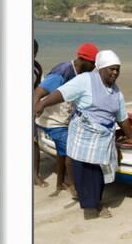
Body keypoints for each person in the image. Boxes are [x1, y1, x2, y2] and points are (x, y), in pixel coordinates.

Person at [35, 50, 132, 219]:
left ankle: (97, 202)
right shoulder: (85, 80)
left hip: (103, 138)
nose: (115, 72)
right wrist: (43, 103)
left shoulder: (116, 92)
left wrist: (131, 137)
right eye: (112, 69)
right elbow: (62, 93)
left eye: (118, 69)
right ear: (101, 68)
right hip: (84, 136)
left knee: (99, 173)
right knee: (84, 171)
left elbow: (122, 118)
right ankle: (91, 204)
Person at [34, 42, 99, 197]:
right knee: (71, 150)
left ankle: (60, 182)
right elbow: (38, 91)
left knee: (62, 153)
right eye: (93, 64)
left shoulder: (81, 74)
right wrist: (36, 108)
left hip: (63, 120)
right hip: (51, 121)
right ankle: (75, 186)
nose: (94, 68)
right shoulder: (63, 70)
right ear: (83, 60)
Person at [33, 39, 48, 188]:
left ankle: (35, 175)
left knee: (33, 141)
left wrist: (38, 106)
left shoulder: (36, 67)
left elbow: (37, 89)